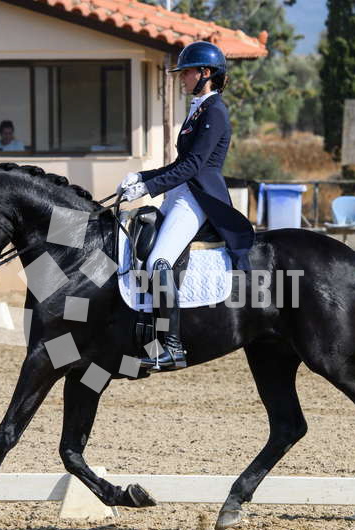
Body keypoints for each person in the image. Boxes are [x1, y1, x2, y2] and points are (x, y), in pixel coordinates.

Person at [117, 41, 254, 371]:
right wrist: (142, 176)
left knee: (159, 261)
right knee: (138, 249)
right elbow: (180, 163)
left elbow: (193, 166)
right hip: (180, 194)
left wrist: (148, 187)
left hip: (197, 198)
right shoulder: (199, 109)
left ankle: (172, 347)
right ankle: (144, 331)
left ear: (205, 73)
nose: (182, 78)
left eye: (187, 72)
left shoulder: (215, 111)